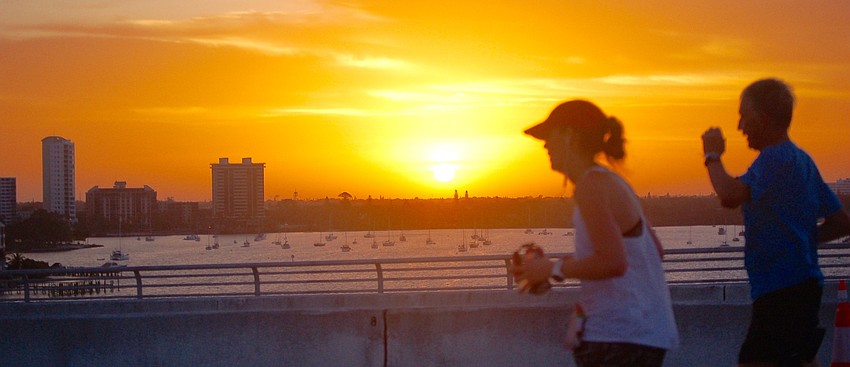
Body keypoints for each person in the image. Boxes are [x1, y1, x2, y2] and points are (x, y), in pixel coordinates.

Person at [514, 99, 679, 367]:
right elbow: (653, 251)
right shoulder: (612, 181)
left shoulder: (590, 185)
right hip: (644, 334)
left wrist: (552, 268)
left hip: (617, 337)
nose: (545, 146)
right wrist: (550, 270)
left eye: (548, 137)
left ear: (569, 136)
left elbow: (614, 262)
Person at [702, 78, 850, 367]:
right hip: (803, 286)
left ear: (763, 119)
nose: (740, 126)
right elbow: (841, 223)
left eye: (744, 116)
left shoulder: (774, 159)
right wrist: (800, 239)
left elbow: (730, 195)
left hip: (781, 291)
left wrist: (712, 155)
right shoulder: (802, 161)